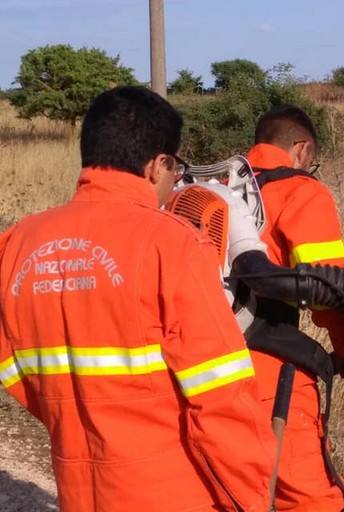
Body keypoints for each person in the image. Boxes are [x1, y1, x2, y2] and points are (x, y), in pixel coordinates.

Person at [0, 86, 276, 511]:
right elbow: (222, 400)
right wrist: (253, 502)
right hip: (175, 494)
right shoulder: (173, 245)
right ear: (157, 164)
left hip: (79, 491)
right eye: (175, 167)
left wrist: (70, 415)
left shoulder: (16, 244)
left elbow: (13, 368)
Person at [243, 104, 344, 512]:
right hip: (270, 366)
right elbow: (330, 290)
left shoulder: (215, 186)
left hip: (200, 362)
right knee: (307, 495)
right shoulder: (300, 190)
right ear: (302, 149)